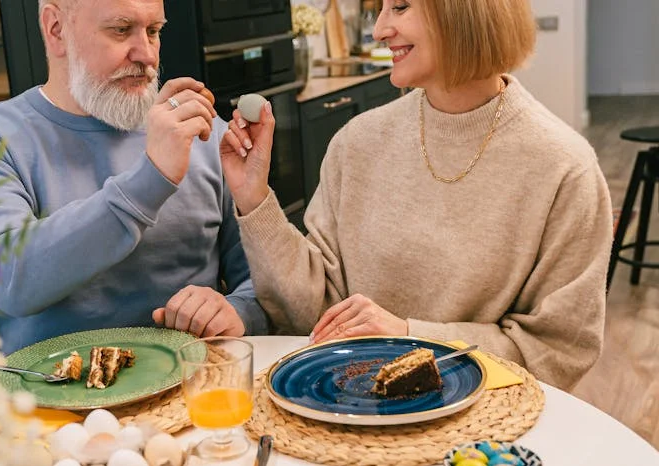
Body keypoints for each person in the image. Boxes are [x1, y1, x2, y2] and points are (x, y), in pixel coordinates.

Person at [220, 0, 612, 390]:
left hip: (486, 430)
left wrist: (411, 337)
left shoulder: (564, 168)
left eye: (401, 7)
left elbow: (557, 351)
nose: (379, 30)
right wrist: (254, 196)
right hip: (356, 408)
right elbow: (314, 311)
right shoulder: (357, 142)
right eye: (381, 10)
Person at [0, 0, 268, 355]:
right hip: (46, 401)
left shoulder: (203, 135)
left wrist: (238, 312)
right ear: (56, 29)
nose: (146, 54)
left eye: (153, 31)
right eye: (120, 29)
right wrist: (152, 178)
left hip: (192, 395)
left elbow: (265, 285)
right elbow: (8, 279)